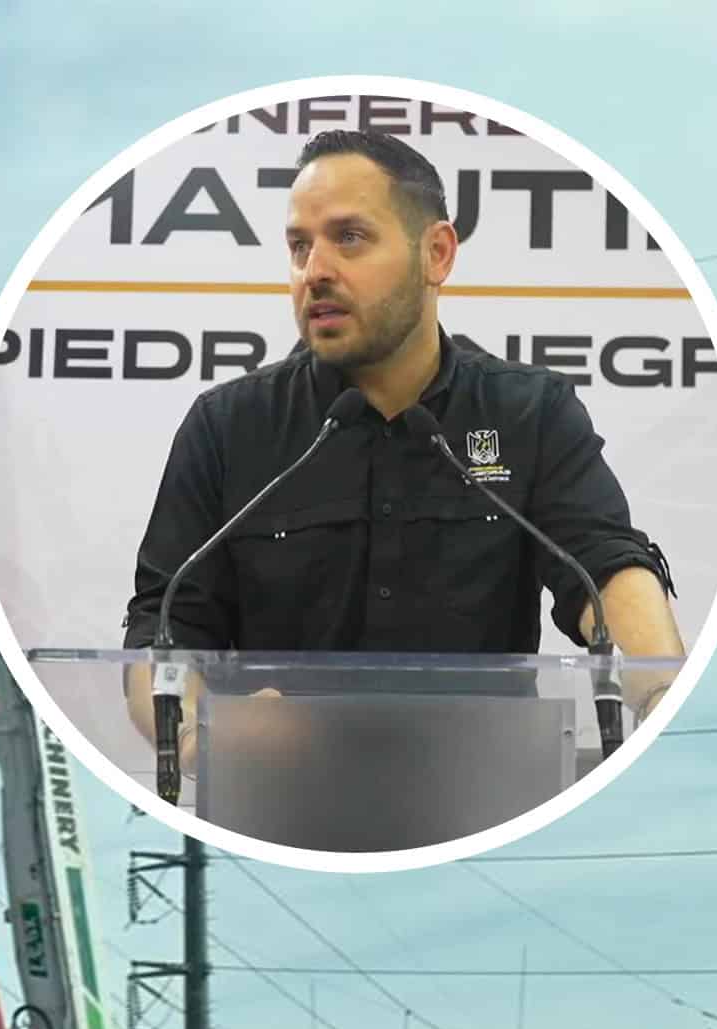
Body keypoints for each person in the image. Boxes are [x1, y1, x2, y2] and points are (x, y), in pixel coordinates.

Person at [120, 127, 683, 761]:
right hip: (283, 794)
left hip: (486, 787)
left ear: (436, 254)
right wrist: (199, 738)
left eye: (349, 239)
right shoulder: (227, 427)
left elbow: (604, 570)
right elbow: (161, 630)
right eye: (299, 246)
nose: (316, 271)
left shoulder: (529, 412)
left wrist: (662, 695)